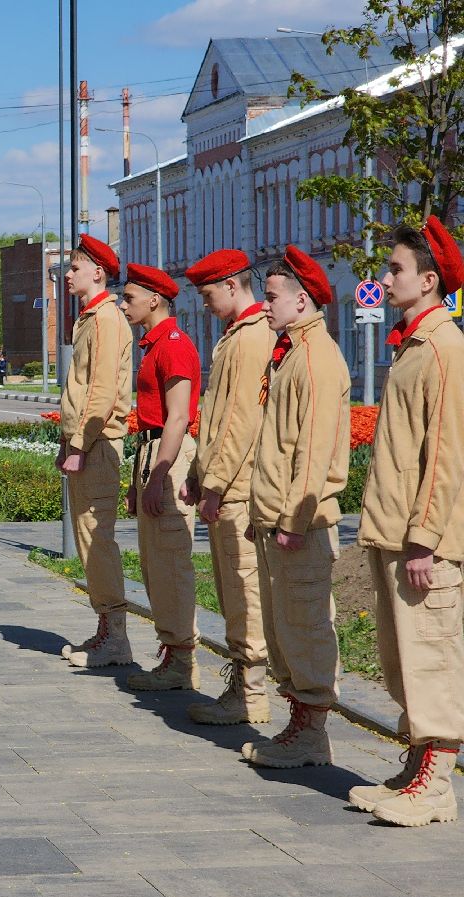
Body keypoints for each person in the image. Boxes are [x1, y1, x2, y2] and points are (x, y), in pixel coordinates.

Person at [351, 217, 464, 825]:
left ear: (428, 279)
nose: (384, 277)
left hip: (427, 541)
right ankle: (419, 762)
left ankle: (438, 782)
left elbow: (446, 454)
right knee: (403, 659)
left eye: (394, 269)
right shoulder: (417, 344)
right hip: (396, 531)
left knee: (432, 657)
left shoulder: (446, 347)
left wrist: (423, 539)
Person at [241, 246, 351, 769]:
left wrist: (292, 520)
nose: (265, 308)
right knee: (285, 624)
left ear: (302, 300)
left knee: (305, 626)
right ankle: (299, 726)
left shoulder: (315, 357)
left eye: (272, 298)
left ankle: (311, 734)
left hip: (301, 523)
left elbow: (313, 451)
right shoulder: (290, 351)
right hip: (277, 519)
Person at [182, 250, 274, 726]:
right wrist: (200, 474)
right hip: (226, 485)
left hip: (238, 489)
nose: (205, 304)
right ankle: (244, 685)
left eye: (209, 294)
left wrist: (214, 482)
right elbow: (218, 416)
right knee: (231, 589)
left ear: (233, 286)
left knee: (244, 591)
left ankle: (251, 693)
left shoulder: (252, 337)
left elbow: (240, 420)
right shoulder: (236, 336)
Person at [119, 263, 202, 692]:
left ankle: (182, 660)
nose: (123, 304)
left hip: (167, 453)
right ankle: (173, 652)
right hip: (152, 451)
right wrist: (138, 480)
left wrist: (158, 477)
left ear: (155, 300)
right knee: (155, 563)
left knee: (170, 560)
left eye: (129, 298)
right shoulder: (153, 345)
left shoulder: (172, 344)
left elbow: (178, 418)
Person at [57, 234, 134, 668]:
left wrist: (80, 444)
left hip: (99, 442)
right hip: (86, 441)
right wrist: (67, 441)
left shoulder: (105, 319)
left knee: (96, 540)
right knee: (89, 541)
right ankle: (107, 629)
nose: (67, 275)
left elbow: (101, 391)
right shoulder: (91, 317)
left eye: (74, 268)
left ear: (97, 273)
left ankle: (115, 637)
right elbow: (81, 390)